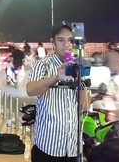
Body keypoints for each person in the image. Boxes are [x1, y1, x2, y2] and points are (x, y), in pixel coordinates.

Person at [26, 23, 90, 161]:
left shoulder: (79, 65)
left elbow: (85, 106)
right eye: (61, 40)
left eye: (71, 40)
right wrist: (56, 77)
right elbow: (30, 90)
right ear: (52, 42)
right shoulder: (42, 64)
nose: (67, 45)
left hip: (73, 147)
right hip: (48, 146)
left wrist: (80, 81)